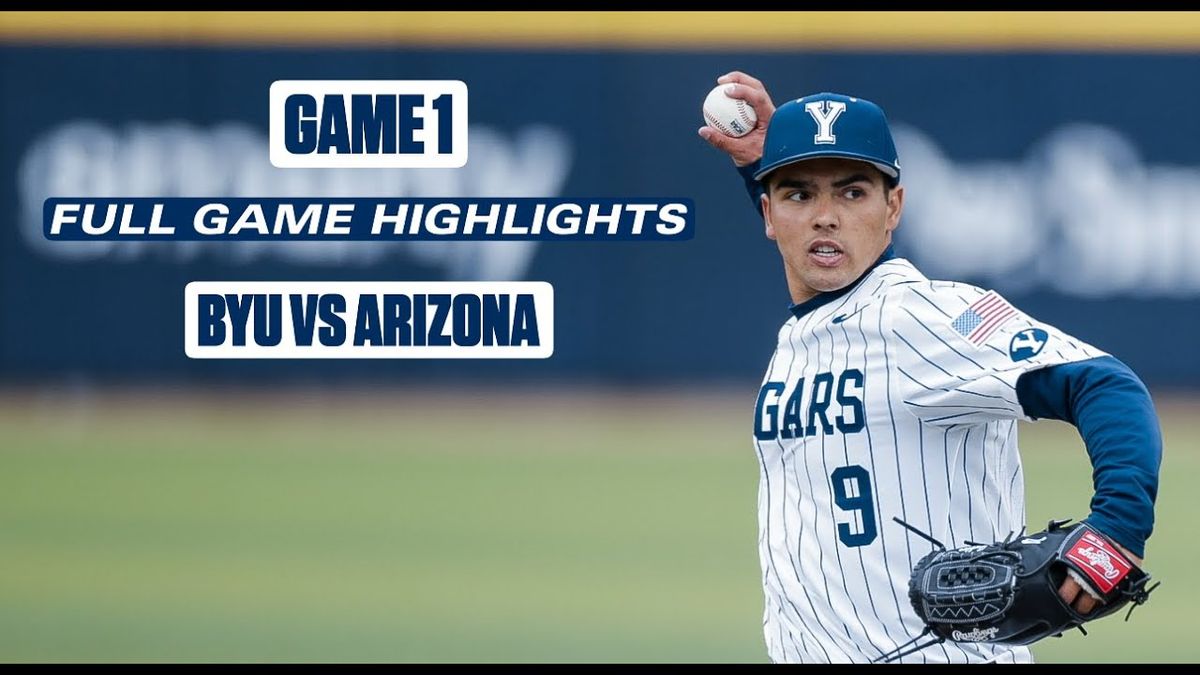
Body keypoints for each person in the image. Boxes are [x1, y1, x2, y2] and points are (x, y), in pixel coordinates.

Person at [697, 72, 1163, 664]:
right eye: (799, 195)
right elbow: (811, 249)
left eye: (852, 193)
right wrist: (768, 164)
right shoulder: (810, 327)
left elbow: (1105, 385)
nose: (825, 217)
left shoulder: (930, 316)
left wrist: (1118, 527)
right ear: (768, 213)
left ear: (893, 207)